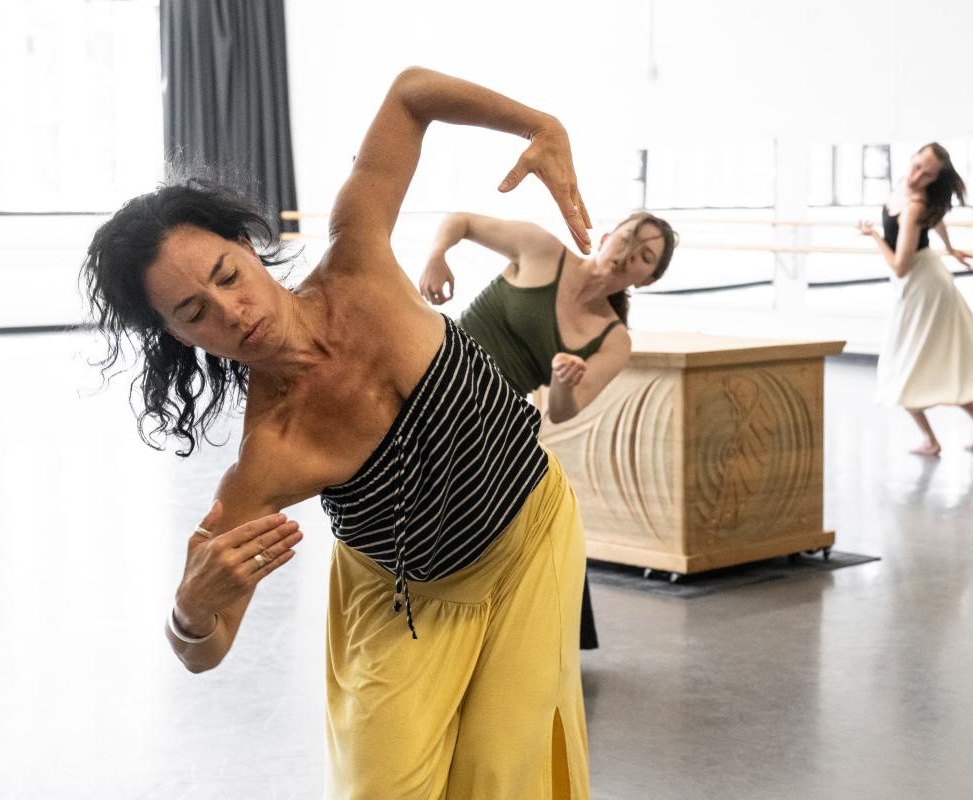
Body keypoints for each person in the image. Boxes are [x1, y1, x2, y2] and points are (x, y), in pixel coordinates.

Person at [81, 67, 593, 799]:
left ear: (249, 247)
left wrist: (540, 125)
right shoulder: (271, 453)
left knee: (502, 780)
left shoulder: (359, 259)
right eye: (194, 313)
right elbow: (207, 649)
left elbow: (411, 94)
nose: (230, 311)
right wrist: (189, 610)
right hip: (407, 596)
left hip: (529, 531)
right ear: (176, 336)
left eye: (227, 274)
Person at [417, 209, 677, 649]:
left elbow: (561, 412)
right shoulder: (543, 250)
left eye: (645, 256)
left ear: (647, 280)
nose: (629, 253)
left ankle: (518, 632)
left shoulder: (613, 340)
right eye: (629, 238)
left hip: (492, 418)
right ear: (608, 235)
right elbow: (461, 221)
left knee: (546, 507)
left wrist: (562, 378)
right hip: (438, 374)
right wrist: (437, 255)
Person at [857, 143, 973, 456]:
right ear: (911, 158)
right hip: (923, 282)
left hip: (923, 287)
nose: (917, 175)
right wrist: (950, 247)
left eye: (926, 174)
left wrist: (873, 236)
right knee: (931, 366)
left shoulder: (915, 204)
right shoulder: (906, 186)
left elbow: (901, 266)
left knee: (902, 367)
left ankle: (931, 440)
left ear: (934, 180)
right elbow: (936, 219)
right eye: (916, 166)